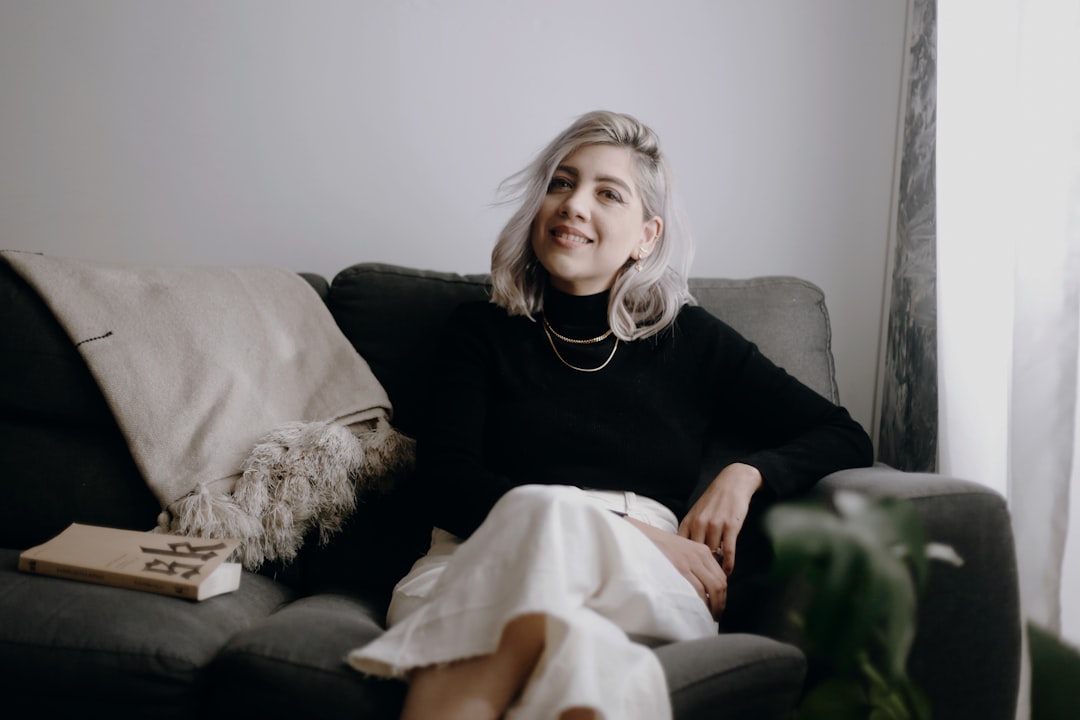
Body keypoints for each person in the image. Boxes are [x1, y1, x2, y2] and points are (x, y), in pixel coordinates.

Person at [348, 110, 874, 720]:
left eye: (607, 194)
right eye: (561, 183)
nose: (574, 205)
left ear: (646, 236)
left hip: (640, 578)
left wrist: (746, 474)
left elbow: (844, 434)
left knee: (557, 623)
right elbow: (447, 479)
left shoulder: (691, 341)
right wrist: (630, 531)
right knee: (574, 621)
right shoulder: (479, 332)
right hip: (480, 558)